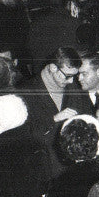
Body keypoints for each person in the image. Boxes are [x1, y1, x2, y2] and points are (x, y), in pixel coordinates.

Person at [16, 46, 84, 174]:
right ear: (53, 67)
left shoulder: (74, 88)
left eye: (74, 76)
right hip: (40, 169)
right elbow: (23, 136)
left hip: (70, 170)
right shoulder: (25, 91)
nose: (71, 81)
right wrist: (53, 119)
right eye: (67, 76)